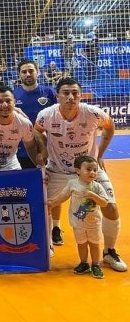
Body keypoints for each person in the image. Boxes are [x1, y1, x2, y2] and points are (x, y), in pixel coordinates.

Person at [35, 77, 126, 272]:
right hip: (57, 170)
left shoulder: (93, 113)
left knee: (110, 206)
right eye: (66, 93)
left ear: (80, 95)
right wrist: (44, 150)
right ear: (57, 96)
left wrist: (99, 155)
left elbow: (109, 127)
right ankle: (47, 245)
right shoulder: (46, 115)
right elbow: (37, 131)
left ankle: (109, 251)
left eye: (75, 93)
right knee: (44, 206)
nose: (70, 97)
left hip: (89, 172)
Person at [47, 155, 109, 279]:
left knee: (94, 244)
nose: (92, 173)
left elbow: (104, 203)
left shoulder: (97, 186)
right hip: (78, 222)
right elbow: (63, 196)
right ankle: (84, 263)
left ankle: (95, 264)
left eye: (95, 170)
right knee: (81, 243)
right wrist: (52, 203)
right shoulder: (72, 184)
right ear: (77, 170)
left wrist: (93, 196)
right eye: (88, 169)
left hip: (94, 222)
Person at [13, 59, 57, 170]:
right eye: (24, 72)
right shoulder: (13, 95)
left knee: (48, 182)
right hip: (22, 149)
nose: (27, 74)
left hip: (49, 148)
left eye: (31, 71)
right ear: (19, 75)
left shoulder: (50, 92)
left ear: (38, 72)